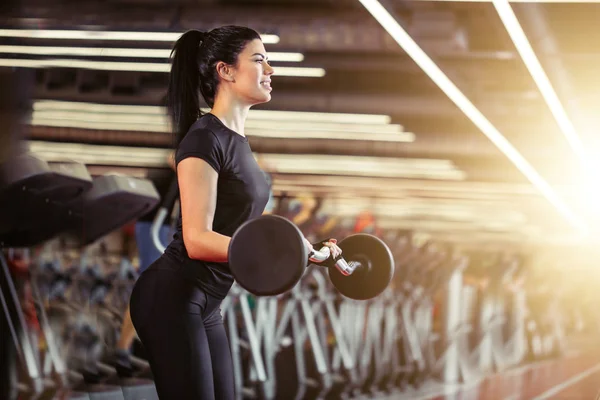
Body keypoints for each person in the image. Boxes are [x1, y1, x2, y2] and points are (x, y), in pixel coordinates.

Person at [128, 26, 342, 399]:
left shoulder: (236, 144)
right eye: (259, 60)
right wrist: (279, 252)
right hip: (173, 296)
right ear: (225, 71)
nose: (270, 70)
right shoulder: (204, 139)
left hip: (207, 301)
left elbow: (249, 232)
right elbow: (196, 240)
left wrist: (309, 250)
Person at [113, 152, 177, 377]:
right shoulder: (175, 147)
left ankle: (132, 348)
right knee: (149, 288)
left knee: (158, 290)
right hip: (156, 224)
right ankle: (123, 347)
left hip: (162, 222)